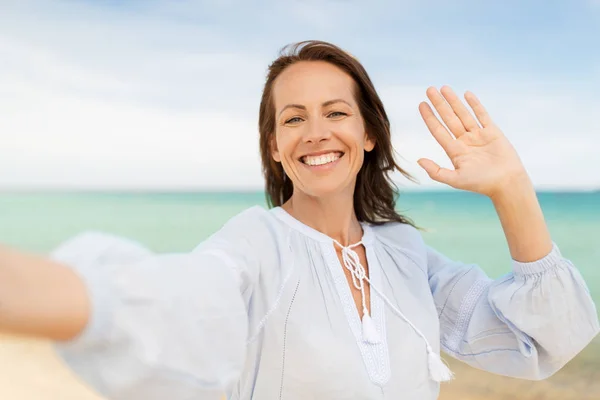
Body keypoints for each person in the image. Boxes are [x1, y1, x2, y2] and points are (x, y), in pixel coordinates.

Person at [0, 40, 598, 400]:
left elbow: (537, 341)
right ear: (274, 147)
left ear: (367, 135)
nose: (316, 131)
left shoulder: (405, 255)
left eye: (336, 112)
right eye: (293, 118)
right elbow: (172, 301)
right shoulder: (257, 244)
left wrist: (511, 187)